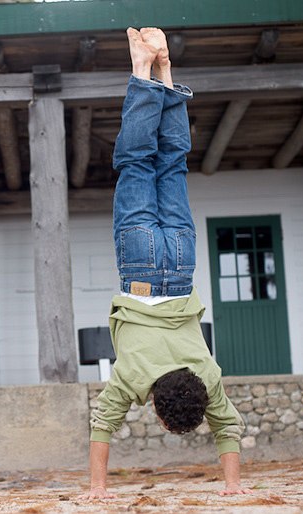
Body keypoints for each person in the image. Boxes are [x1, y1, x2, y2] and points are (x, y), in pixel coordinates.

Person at [79, 28, 250, 499]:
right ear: (155, 404)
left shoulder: (208, 375)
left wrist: (234, 485)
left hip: (180, 263)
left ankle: (165, 70)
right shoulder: (133, 377)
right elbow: (103, 424)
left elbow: (228, 427)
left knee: (172, 164)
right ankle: (140, 68)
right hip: (139, 271)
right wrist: (98, 489)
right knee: (136, 162)